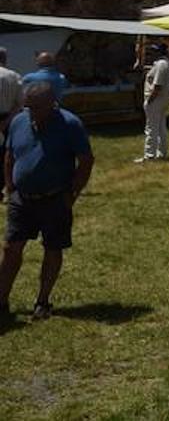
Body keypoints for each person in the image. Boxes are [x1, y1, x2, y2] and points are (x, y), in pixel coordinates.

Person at [0, 82, 94, 321]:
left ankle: (42, 300)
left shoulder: (70, 125)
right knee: (11, 248)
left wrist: (72, 193)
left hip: (55, 198)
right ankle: (1, 300)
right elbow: (10, 155)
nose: (32, 113)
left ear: (52, 105)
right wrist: (10, 187)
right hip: (22, 198)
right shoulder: (19, 122)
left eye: (37, 108)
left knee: (52, 248)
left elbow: (85, 161)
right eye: (28, 107)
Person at [135, 43, 169, 163]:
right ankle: (161, 152)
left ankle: (149, 154)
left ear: (159, 52)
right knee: (160, 127)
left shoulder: (161, 65)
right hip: (162, 99)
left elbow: (157, 85)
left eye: (153, 52)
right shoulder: (165, 63)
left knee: (151, 128)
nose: (150, 54)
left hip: (155, 100)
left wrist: (149, 100)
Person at [0, 48, 21, 166]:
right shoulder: (14, 76)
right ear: (5, 59)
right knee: (6, 155)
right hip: (7, 120)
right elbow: (20, 103)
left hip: (6, 117)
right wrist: (6, 121)